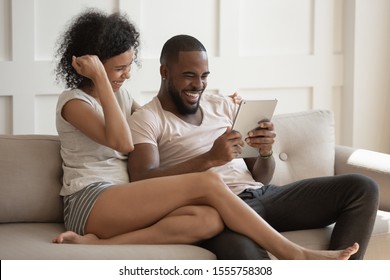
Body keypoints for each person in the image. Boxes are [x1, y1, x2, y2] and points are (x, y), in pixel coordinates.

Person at [52, 10, 360, 260]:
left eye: (129, 66)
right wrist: (100, 79)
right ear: (93, 67)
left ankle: (99, 245)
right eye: (119, 69)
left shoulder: (120, 98)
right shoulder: (73, 103)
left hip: (121, 202)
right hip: (89, 201)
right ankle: (295, 255)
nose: (127, 75)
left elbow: (150, 111)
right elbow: (123, 141)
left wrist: (222, 104)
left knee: (209, 220)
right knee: (208, 180)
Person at [127, 34, 379, 260]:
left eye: (204, 76)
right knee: (250, 260)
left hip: (262, 196)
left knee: (362, 187)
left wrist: (266, 151)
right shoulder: (148, 119)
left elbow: (261, 175)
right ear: (164, 72)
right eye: (189, 75)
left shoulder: (223, 106)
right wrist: (208, 159)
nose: (198, 85)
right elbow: (141, 181)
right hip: (218, 213)